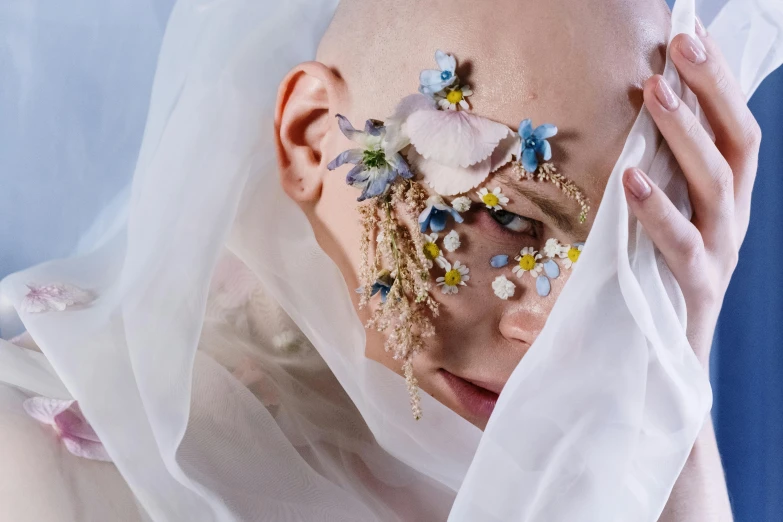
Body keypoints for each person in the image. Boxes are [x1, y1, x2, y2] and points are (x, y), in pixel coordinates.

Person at [0, 0, 781, 520]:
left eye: (621, 253)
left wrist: (676, 356)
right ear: (310, 136)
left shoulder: (538, 476)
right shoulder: (31, 468)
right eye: (509, 215)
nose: (556, 327)